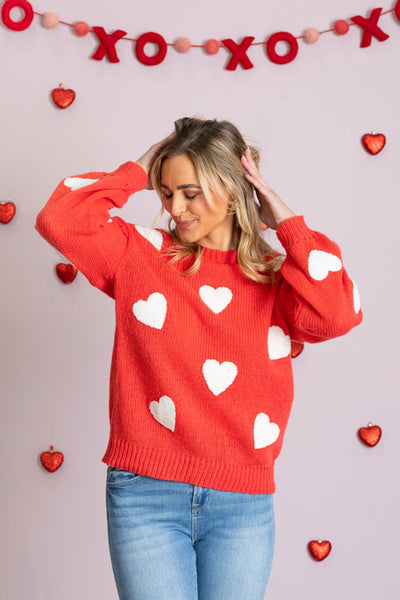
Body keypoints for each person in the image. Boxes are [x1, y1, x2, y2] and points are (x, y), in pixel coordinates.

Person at [36, 117, 362, 600]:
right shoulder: (139, 254)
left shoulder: (279, 278)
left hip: (243, 502)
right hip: (145, 493)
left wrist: (287, 223)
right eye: (165, 192)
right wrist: (136, 169)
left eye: (190, 192)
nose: (174, 208)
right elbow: (60, 220)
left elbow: (336, 316)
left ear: (232, 190)